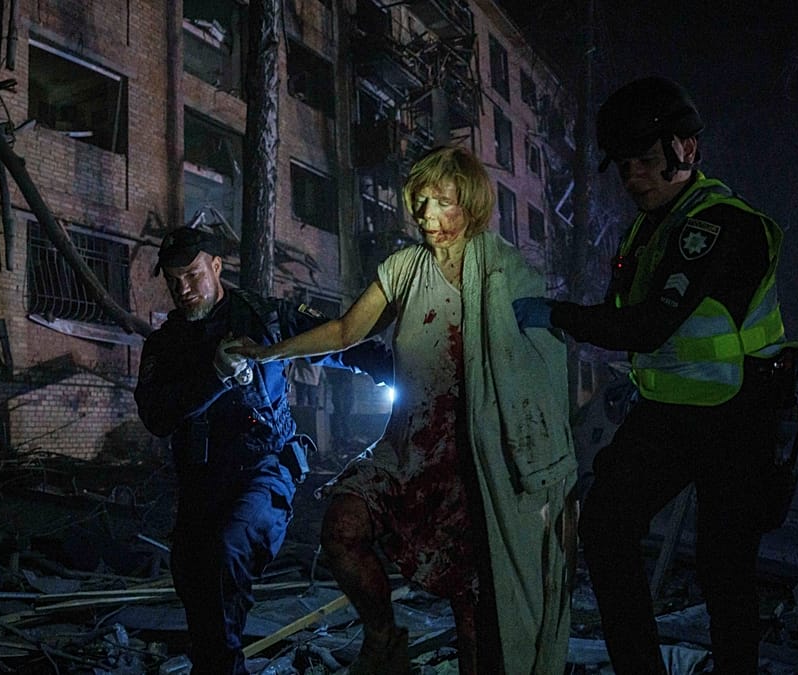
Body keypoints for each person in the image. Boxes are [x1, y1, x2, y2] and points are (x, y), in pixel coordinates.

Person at [233, 145, 577, 675]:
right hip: (408, 445)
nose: (427, 216)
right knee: (343, 526)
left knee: (475, 610)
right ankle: (384, 637)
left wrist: (544, 468)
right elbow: (346, 330)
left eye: (442, 202)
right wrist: (270, 352)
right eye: (420, 202)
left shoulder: (507, 273)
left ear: (471, 203)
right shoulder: (403, 268)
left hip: (478, 459)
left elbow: (542, 369)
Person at [514, 75, 792, 674]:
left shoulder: (721, 226)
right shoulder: (651, 227)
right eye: (624, 166)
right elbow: (625, 318)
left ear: (685, 149)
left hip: (738, 413)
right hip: (670, 414)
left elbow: (646, 326)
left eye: (644, 161)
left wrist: (556, 314)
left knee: (725, 568)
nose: (633, 177)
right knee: (606, 526)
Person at [133, 227, 392, 675]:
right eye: (174, 281)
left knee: (229, 550)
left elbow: (336, 339)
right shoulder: (165, 344)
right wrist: (215, 376)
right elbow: (157, 416)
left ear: (216, 267)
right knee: (194, 580)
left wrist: (398, 368)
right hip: (201, 483)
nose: (184, 289)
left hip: (264, 469)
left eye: (193, 275)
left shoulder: (263, 317)